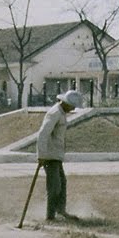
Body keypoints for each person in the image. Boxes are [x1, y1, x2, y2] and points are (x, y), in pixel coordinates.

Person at [36, 90, 85, 221]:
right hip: (49, 156)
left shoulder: (62, 113)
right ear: (66, 103)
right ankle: (50, 216)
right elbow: (43, 134)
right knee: (54, 186)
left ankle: (61, 211)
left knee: (62, 183)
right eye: (73, 106)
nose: (74, 108)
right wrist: (41, 155)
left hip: (56, 156)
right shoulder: (55, 113)